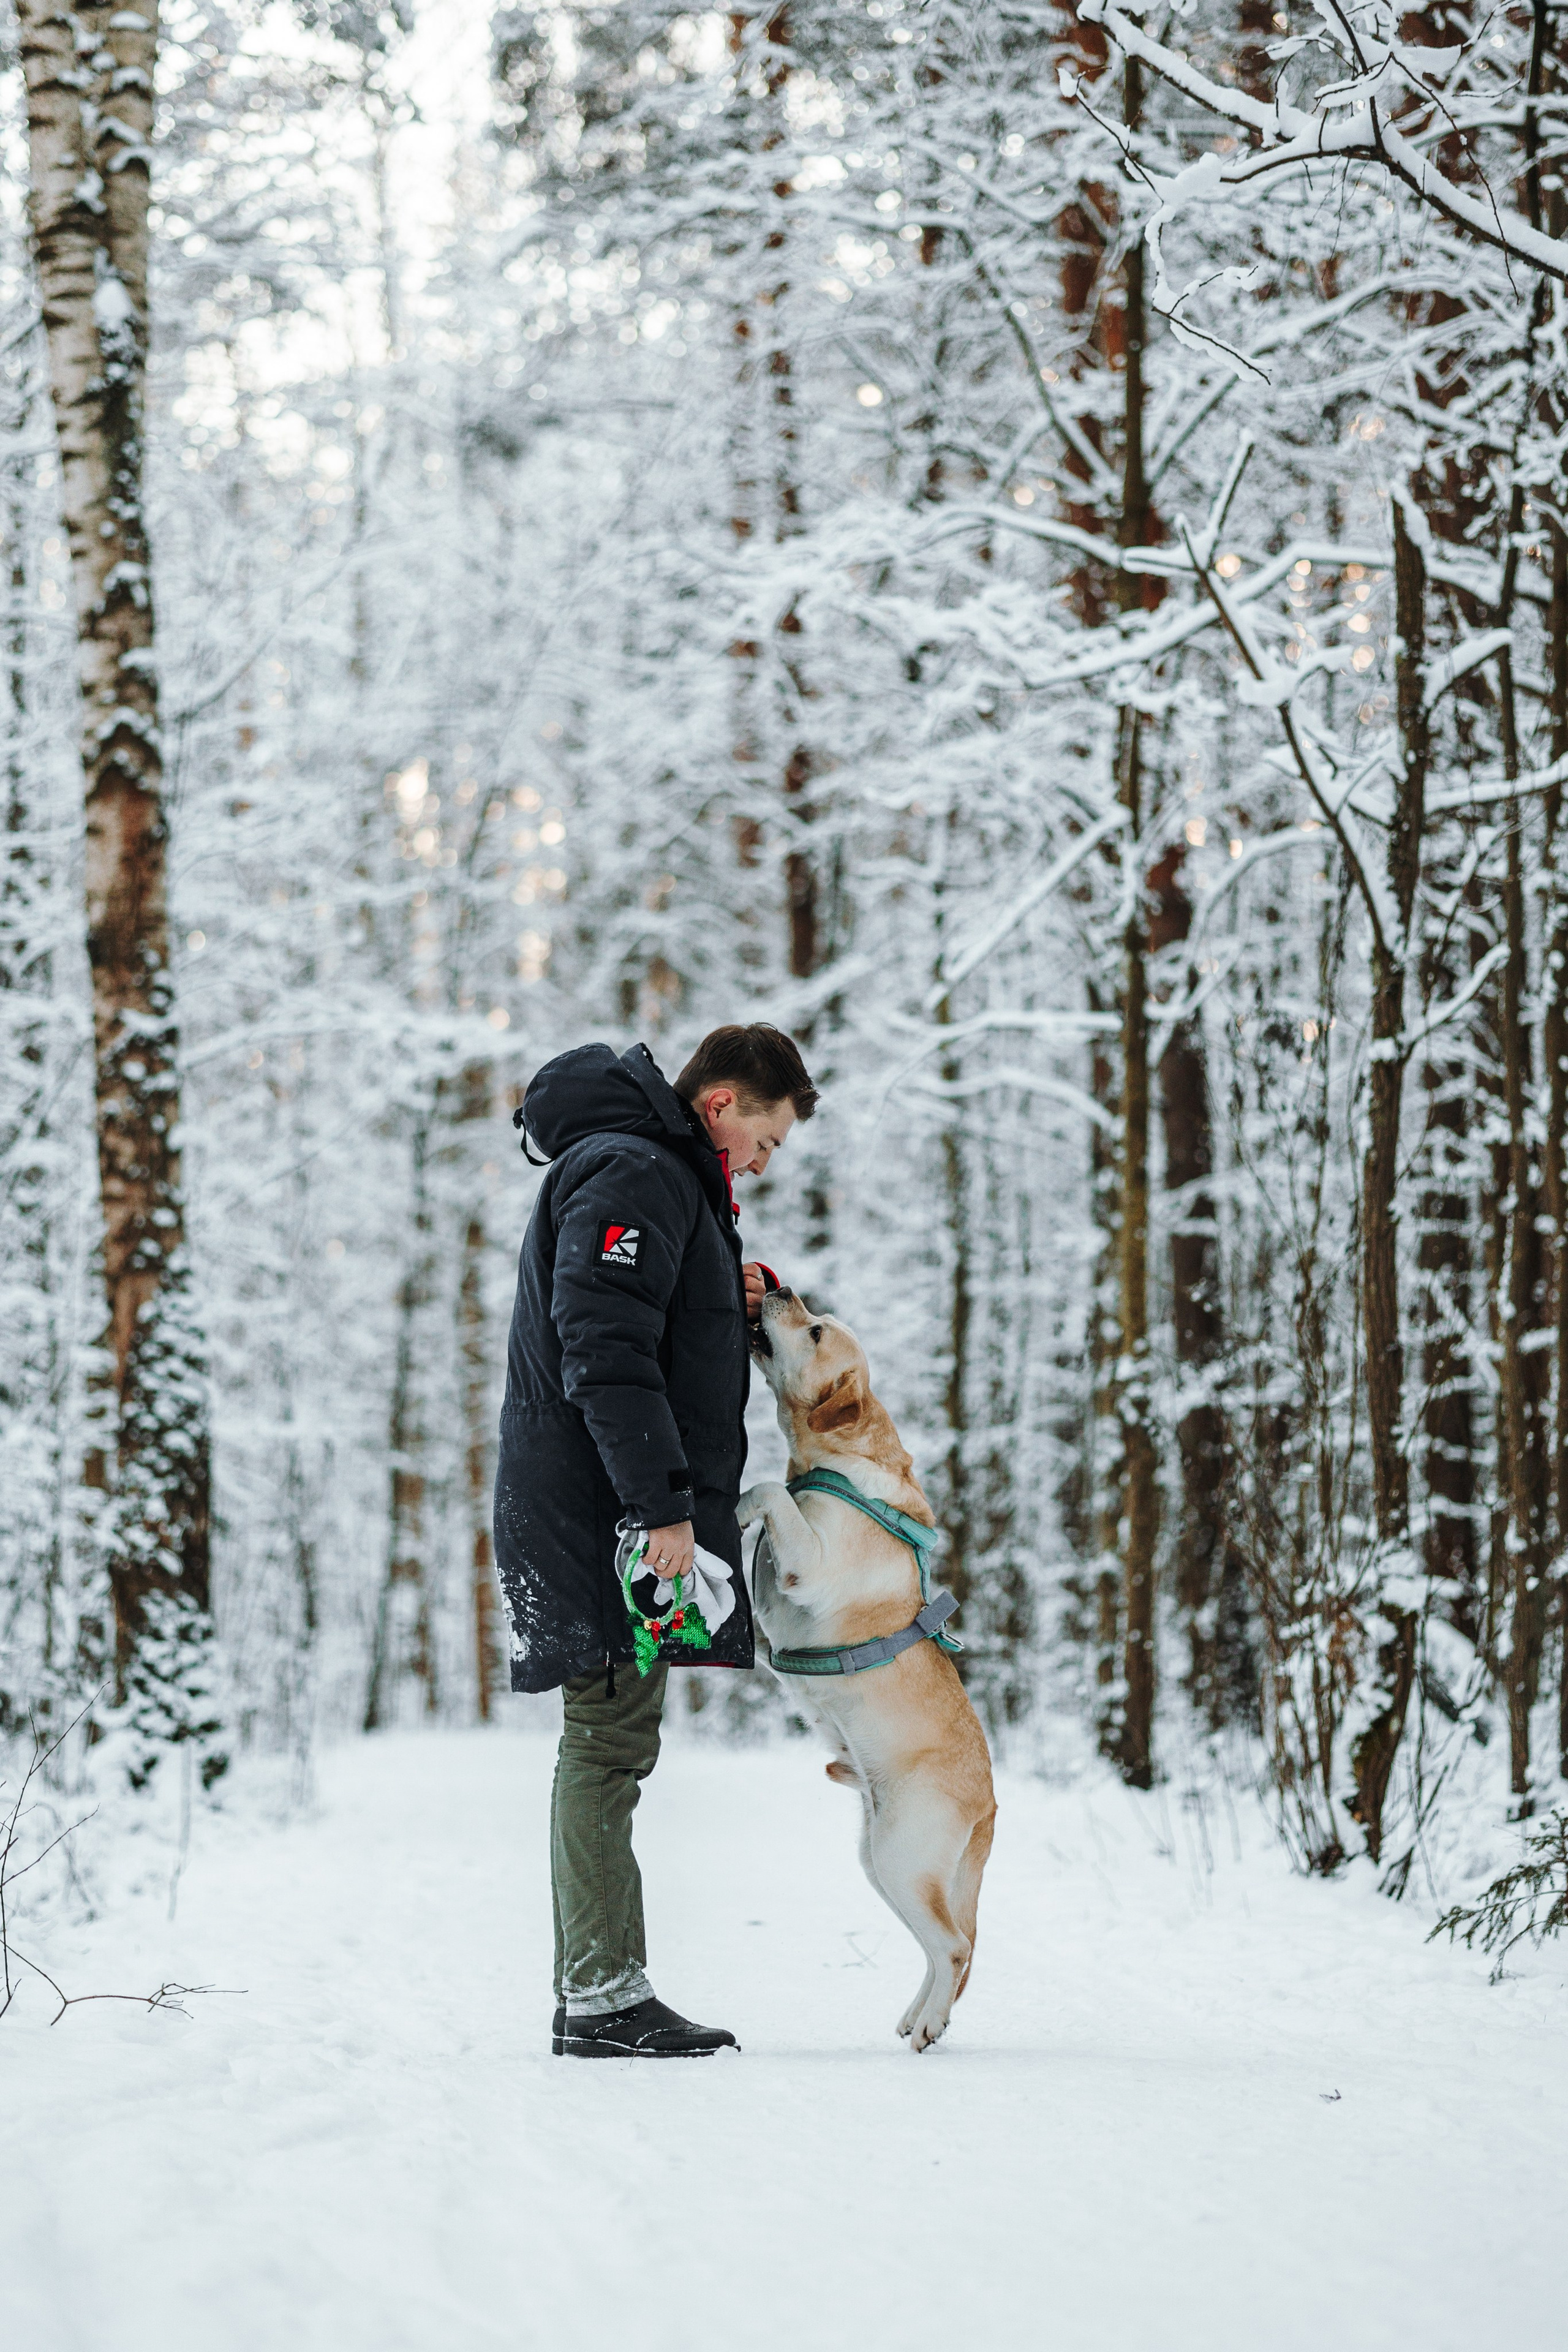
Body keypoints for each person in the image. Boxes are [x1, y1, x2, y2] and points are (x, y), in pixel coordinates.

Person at [494, 1023, 818, 2058]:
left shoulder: (654, 1172)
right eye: (762, 1141)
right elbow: (602, 1345)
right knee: (608, 1740)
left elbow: (638, 1314)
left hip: (607, 1503)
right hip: (603, 1512)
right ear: (720, 1104)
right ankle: (599, 1998)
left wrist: (735, 1293)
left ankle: (601, 1988)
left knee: (614, 1739)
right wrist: (661, 1509)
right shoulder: (637, 1170)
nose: (761, 1165)